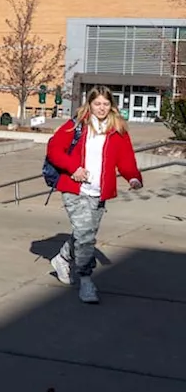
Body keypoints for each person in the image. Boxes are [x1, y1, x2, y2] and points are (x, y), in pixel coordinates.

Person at [46, 85, 143, 304]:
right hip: (74, 189)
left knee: (84, 234)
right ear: (89, 104)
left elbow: (126, 160)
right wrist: (73, 168)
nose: (101, 108)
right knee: (86, 236)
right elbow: (54, 150)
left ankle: (61, 258)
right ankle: (86, 280)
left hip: (99, 192)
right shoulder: (76, 126)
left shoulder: (118, 130)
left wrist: (133, 177)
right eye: (97, 103)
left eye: (106, 104)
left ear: (112, 106)